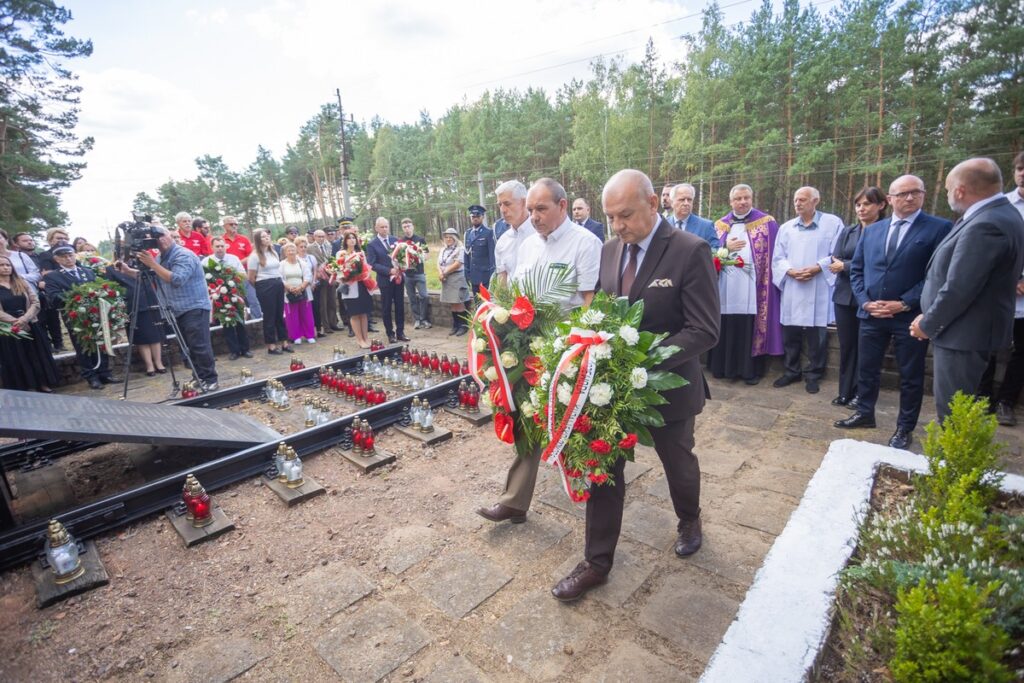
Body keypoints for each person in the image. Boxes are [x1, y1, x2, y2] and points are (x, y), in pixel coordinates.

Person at [551, 169, 720, 602]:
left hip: (670, 387)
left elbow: (704, 329)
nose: (618, 225)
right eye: (611, 217)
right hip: (614, 389)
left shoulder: (690, 250)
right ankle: (596, 562)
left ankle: (689, 517)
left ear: (652, 202)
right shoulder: (609, 252)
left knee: (676, 461)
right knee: (604, 469)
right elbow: (605, 314)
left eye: (625, 215)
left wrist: (643, 358)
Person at [476, 178, 601, 525]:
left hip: (567, 351)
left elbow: (590, 303)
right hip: (529, 348)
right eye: (530, 210)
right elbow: (516, 296)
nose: (534, 216)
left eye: (541, 209)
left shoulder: (586, 244)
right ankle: (515, 501)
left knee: (575, 424)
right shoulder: (528, 246)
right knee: (527, 420)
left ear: (563, 206)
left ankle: (595, 494)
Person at [836, 175, 952, 450]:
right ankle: (865, 413)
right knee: (867, 369)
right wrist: (864, 302)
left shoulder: (939, 228)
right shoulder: (874, 230)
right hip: (871, 314)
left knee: (910, 375)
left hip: (908, 317)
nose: (909, 198)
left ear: (923, 195)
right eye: (902, 194)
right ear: (890, 199)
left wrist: (905, 303)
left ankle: (904, 427)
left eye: (915, 192)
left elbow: (937, 275)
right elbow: (858, 270)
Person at [911, 158, 1024, 423]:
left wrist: (928, 323)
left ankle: (951, 464)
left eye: (948, 189)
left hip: (963, 335)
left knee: (952, 415)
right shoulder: (1000, 214)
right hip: (964, 331)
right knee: (959, 411)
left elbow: (960, 288)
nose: (948, 194)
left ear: (961, 190)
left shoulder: (987, 225)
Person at [116, 226, 219, 391]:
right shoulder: (161, 257)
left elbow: (177, 279)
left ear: (170, 237)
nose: (160, 239)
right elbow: (150, 277)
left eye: (162, 235)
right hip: (176, 309)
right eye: (156, 236)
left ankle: (210, 379)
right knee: (188, 347)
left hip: (194, 307)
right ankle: (198, 376)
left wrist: (151, 263)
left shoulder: (183, 255)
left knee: (199, 345)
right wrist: (129, 271)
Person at [770, 187, 843, 394]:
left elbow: (837, 253)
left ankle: (814, 374)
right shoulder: (787, 228)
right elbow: (778, 258)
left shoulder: (832, 223)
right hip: (793, 285)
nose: (798, 203)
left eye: (802, 199)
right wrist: (790, 271)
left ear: (815, 201)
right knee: (790, 333)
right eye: (795, 200)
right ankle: (791, 370)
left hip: (817, 285)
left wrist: (817, 267)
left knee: (817, 335)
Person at [708, 184, 783, 384]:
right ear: (731, 202)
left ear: (752, 198)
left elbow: (775, 255)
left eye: (746, 198)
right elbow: (709, 252)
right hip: (725, 286)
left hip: (754, 287)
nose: (742, 202)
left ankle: (750, 371)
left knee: (749, 324)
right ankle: (723, 368)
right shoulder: (719, 225)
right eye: (738, 198)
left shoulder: (766, 223)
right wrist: (724, 246)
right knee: (726, 323)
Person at [829, 187, 888, 407]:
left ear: (881, 205)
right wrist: (845, 265)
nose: (861, 209)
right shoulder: (848, 231)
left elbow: (880, 264)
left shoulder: (886, 231)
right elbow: (835, 259)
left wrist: (846, 265)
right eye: (858, 204)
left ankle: (862, 394)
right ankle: (845, 390)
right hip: (845, 297)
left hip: (872, 298)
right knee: (847, 346)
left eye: (867, 204)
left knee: (868, 350)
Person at [978, 152, 1024, 425]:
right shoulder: (1000, 205)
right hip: (998, 291)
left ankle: (1007, 401)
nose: (1023, 174)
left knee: (1022, 351)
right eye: (1020, 168)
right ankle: (984, 398)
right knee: (989, 346)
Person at [43, 246, 118, 390]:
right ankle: (91, 376)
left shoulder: (87, 271)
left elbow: (100, 287)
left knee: (101, 341)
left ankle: (104, 373)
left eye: (70, 255)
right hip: (75, 316)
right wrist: (77, 297)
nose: (68, 259)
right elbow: (53, 297)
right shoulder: (53, 276)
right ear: (57, 259)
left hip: (95, 313)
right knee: (82, 346)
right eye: (63, 256)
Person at [0, 255, 58, 392]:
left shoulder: (21, 282)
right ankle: (26, 385)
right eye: (1, 265)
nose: (5, 267)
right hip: (9, 328)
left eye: (7, 265)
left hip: (30, 323)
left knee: (35, 354)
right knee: (17, 357)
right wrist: (14, 321)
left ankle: (42, 383)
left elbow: (35, 301)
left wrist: (25, 318)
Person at [207, 236, 252, 361]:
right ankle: (234, 351)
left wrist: (231, 279)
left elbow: (243, 274)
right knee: (227, 324)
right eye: (217, 246)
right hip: (219, 298)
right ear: (212, 247)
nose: (220, 248)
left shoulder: (234, 259)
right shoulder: (206, 262)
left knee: (240, 322)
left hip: (235, 294)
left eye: (222, 246)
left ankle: (246, 349)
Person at [366, 217, 410, 344]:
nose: (384, 229)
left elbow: (402, 256)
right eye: (382, 227)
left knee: (400, 306)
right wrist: (388, 271)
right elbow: (372, 264)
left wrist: (401, 267)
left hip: (398, 279)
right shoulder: (372, 244)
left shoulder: (395, 240)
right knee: (386, 308)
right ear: (376, 228)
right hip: (385, 280)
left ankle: (400, 332)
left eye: (386, 226)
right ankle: (390, 334)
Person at [493, 180, 536, 287]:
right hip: (512, 303)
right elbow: (502, 282)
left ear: (524, 202)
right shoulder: (502, 242)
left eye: (507, 204)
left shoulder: (542, 234)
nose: (502, 210)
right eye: (500, 205)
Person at [35, 227, 70, 351]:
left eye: (65, 238)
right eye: (59, 238)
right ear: (50, 240)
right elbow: (47, 274)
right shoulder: (46, 255)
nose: (63, 240)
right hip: (57, 290)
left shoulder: (72, 252)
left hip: (73, 287)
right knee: (57, 319)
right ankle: (58, 344)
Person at [338, 230, 373, 348]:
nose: (352, 240)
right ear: (345, 241)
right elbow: (338, 271)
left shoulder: (361, 252)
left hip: (362, 285)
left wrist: (366, 275)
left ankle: (366, 338)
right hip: (350, 286)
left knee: (363, 313)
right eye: (349, 238)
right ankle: (359, 339)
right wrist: (346, 276)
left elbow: (367, 269)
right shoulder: (341, 254)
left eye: (354, 238)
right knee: (354, 314)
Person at [220, 216, 261, 321]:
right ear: (224, 226)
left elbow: (251, 255)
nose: (234, 226)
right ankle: (239, 322)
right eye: (231, 224)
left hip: (245, 275)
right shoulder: (221, 241)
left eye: (235, 224)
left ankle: (257, 322)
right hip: (228, 277)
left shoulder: (243, 239)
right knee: (234, 302)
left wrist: (237, 263)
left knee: (253, 300)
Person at [280, 242, 316, 345]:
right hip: (289, 293)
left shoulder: (302, 263)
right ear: (285, 253)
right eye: (288, 250)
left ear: (296, 251)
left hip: (303, 292)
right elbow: (280, 278)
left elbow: (307, 276)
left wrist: (301, 287)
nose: (291, 252)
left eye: (293, 250)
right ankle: (296, 336)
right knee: (292, 316)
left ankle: (309, 335)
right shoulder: (282, 264)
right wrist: (289, 287)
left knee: (307, 314)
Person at [399, 218, 431, 330]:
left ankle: (424, 319)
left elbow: (427, 255)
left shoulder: (420, 239)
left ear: (413, 226)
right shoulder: (401, 242)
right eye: (405, 227)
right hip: (407, 275)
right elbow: (398, 258)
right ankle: (417, 319)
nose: (407, 229)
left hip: (419, 273)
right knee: (412, 298)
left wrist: (418, 257)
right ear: (402, 228)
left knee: (424, 296)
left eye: (409, 226)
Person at [437, 228, 469, 336]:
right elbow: (438, 263)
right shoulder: (443, 249)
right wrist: (440, 273)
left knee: (458, 302)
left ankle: (463, 326)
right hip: (446, 278)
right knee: (452, 303)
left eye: (451, 237)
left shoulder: (460, 249)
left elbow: (458, 264)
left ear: (455, 238)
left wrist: (444, 273)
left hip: (457, 277)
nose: (448, 239)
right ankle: (455, 325)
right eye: (446, 237)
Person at [308, 229, 340, 335]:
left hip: (330, 277)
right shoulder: (310, 248)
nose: (321, 238)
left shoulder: (329, 246)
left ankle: (333, 323)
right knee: (323, 304)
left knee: (332, 302)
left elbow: (332, 260)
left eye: (322, 236)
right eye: (319, 236)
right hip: (319, 279)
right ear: (314, 237)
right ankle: (326, 327)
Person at [668, 183, 718, 249]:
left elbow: (715, 251)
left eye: (689, 200)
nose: (686, 203)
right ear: (672, 202)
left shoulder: (706, 226)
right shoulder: (663, 225)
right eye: (682, 200)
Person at [463, 205, 496, 299]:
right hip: (473, 276)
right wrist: (466, 272)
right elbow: (466, 254)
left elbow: (492, 255)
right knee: (477, 304)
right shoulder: (468, 233)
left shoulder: (488, 233)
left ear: (482, 217)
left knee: (487, 304)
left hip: (485, 277)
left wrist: (492, 276)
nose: (475, 218)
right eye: (473, 216)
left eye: (478, 216)